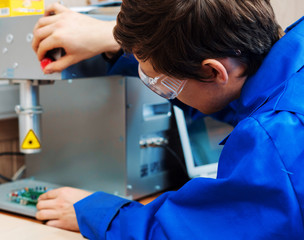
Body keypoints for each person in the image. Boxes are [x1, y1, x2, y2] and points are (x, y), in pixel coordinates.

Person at [32, 1, 304, 239]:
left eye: (164, 86)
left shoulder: (276, 136)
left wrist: (97, 211)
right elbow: (243, 99)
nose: (160, 92)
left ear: (213, 71)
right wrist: (116, 43)